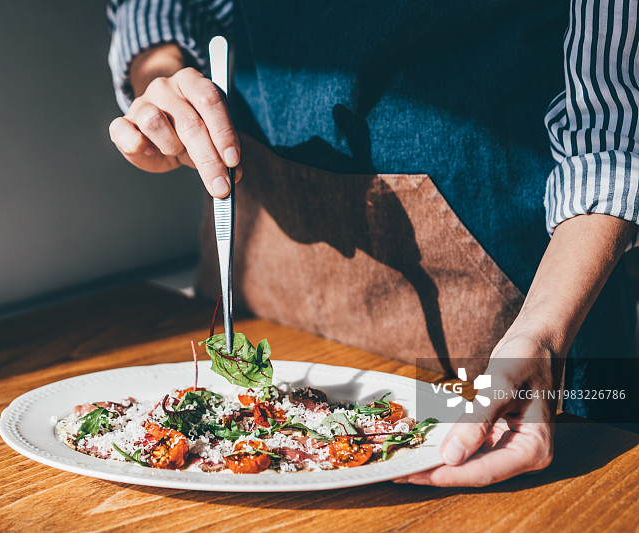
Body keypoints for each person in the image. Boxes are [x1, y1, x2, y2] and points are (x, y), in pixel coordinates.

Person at [106, 0, 639, 486]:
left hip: (520, 307)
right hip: (263, 260)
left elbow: (614, 137)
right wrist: (163, 83)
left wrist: (540, 335)